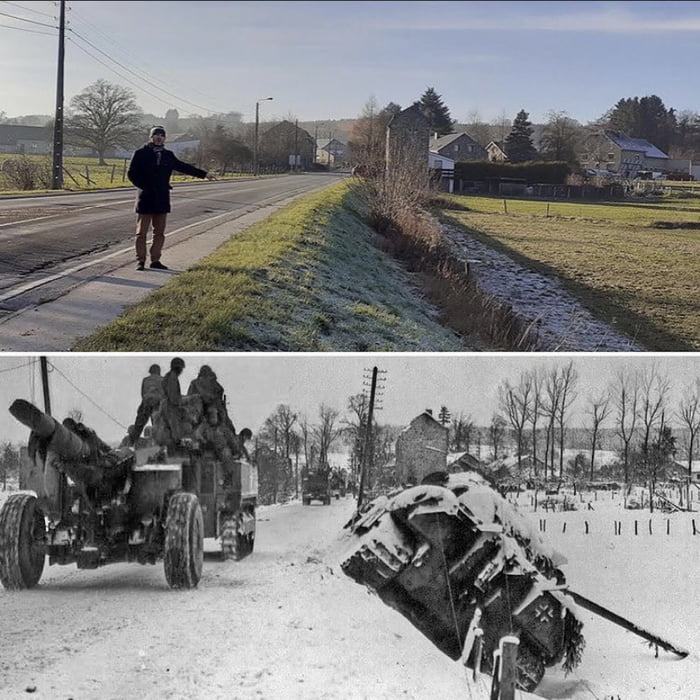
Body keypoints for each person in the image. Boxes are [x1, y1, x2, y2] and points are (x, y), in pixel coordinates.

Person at [127, 126, 216, 271]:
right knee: (141, 233)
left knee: (159, 233)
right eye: (156, 135)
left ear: (164, 139)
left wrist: (204, 174)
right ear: (151, 137)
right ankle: (140, 260)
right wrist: (144, 186)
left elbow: (183, 167)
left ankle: (155, 260)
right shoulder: (140, 153)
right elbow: (132, 174)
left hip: (162, 198)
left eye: (161, 135)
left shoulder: (168, 155)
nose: (159, 137)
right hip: (145, 198)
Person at [129, 364, 164, 444]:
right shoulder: (163, 380)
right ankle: (159, 444)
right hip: (158, 404)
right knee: (158, 425)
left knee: (139, 424)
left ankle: (132, 442)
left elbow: (142, 393)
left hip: (146, 403)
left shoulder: (145, 380)